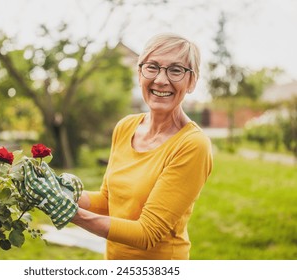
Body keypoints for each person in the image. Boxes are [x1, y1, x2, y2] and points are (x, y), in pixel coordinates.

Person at [18, 32, 213, 260]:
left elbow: (147, 233)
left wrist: (69, 212)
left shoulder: (192, 145)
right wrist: (61, 192)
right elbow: (108, 201)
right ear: (139, 74)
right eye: (152, 67)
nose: (161, 79)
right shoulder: (126, 127)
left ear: (192, 82)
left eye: (176, 70)